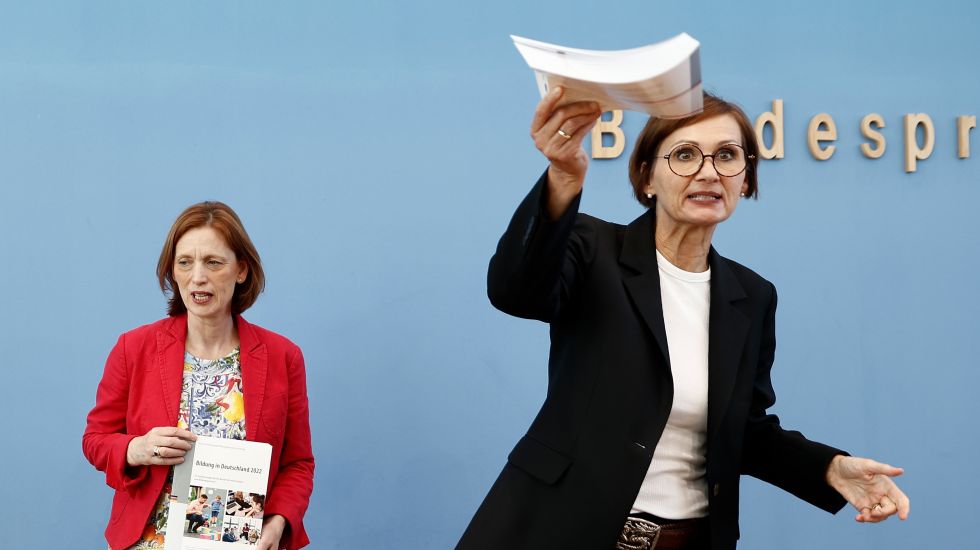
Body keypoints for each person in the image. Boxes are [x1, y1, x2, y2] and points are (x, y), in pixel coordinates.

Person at [458, 88, 910, 550]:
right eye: (686, 154)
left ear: (746, 181)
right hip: (557, 530)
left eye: (728, 156)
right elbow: (515, 291)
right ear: (646, 176)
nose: (708, 171)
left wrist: (829, 468)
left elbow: (744, 430)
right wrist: (563, 177)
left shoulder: (752, 295)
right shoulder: (591, 248)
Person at [82, 201, 315, 550]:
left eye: (213, 262)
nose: (198, 277)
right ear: (172, 272)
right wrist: (136, 448)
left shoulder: (283, 357)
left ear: (241, 270)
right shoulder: (134, 347)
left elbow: (298, 464)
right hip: (149, 542)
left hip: (239, 543)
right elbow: (96, 439)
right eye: (185, 262)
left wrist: (279, 522)